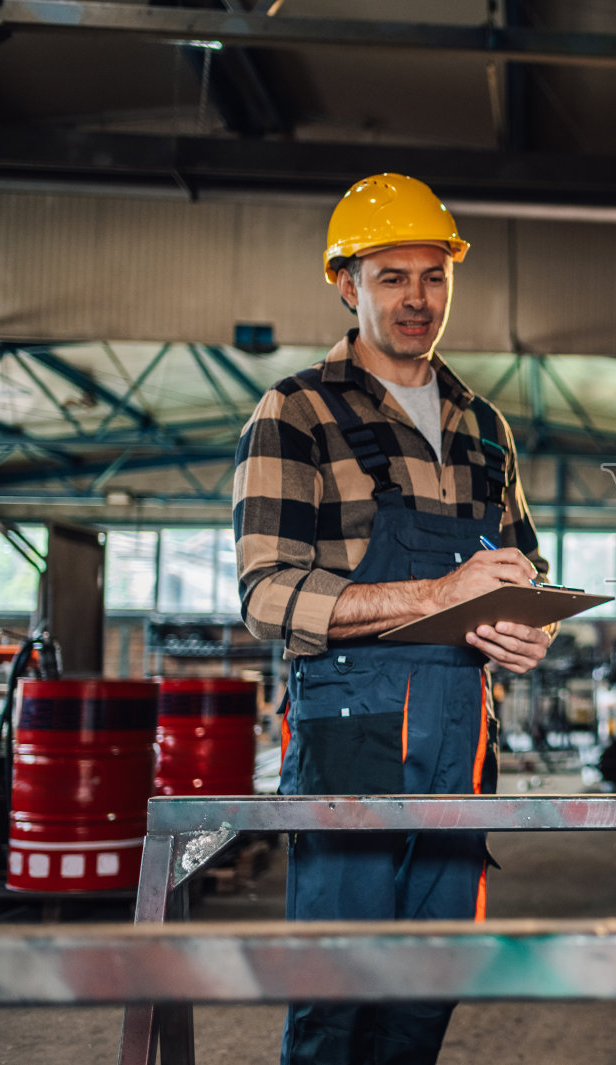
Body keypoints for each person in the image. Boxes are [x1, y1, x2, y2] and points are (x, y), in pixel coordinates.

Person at [233, 172, 554, 1065]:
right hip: (348, 735)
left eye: (434, 276)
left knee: (428, 987)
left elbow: (527, 564)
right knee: (337, 995)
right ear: (347, 283)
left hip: (462, 735)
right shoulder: (297, 410)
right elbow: (265, 592)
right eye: (392, 277)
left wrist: (534, 625)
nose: (419, 299)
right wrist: (439, 596)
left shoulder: (485, 426)